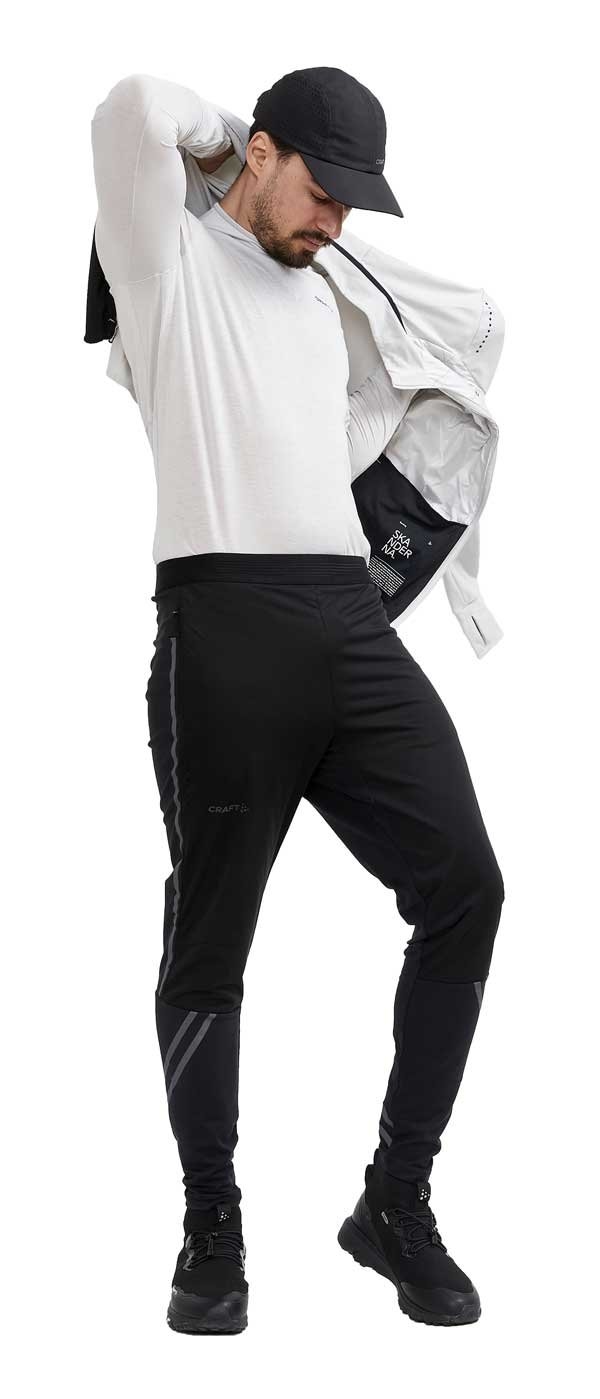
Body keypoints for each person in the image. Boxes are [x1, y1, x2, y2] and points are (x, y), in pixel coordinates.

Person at [90, 65, 504, 1334]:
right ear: (261, 154)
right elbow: (130, 109)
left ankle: (396, 1200)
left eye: (352, 203)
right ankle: (211, 1225)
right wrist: (228, 141)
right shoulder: (165, 262)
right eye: (322, 189)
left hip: (347, 623)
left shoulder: (325, 287)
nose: (335, 219)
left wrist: (313, 214)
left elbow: (454, 333)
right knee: (209, 949)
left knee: (467, 889)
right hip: (220, 631)